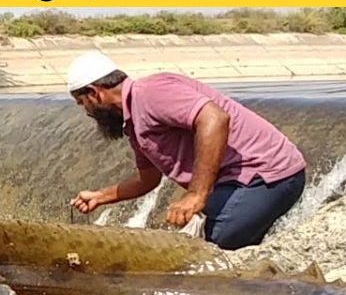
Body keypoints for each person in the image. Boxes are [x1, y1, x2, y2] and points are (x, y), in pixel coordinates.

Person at [66, 51, 307, 250]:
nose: (86, 112)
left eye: (82, 104)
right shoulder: (133, 120)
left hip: (267, 176)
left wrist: (196, 194)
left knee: (209, 251)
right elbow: (148, 179)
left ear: (94, 93)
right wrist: (100, 196)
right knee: (195, 249)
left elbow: (215, 119)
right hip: (234, 184)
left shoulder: (150, 93)